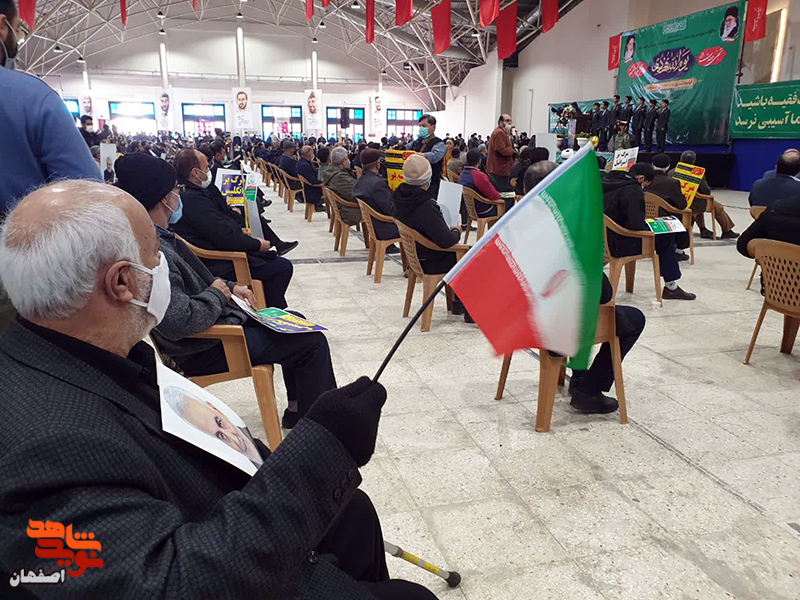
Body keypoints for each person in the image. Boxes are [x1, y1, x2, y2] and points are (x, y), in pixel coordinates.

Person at [0, 180, 438, 600]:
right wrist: (322, 451)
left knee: (353, 513)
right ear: (122, 283)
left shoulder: (77, 351)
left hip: (205, 506)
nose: (162, 264)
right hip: (213, 559)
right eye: (155, 257)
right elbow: (173, 585)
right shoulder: (48, 446)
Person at [115, 154, 336, 426]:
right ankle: (322, 428)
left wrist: (229, 287)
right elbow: (177, 321)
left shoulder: (159, 236)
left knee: (296, 321)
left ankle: (298, 411)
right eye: (175, 189)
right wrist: (218, 295)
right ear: (163, 198)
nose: (179, 195)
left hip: (213, 331)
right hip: (209, 345)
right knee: (311, 342)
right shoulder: (155, 253)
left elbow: (196, 280)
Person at [0, 0, 101, 332]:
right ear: (2, 26)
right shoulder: (30, 97)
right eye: (17, 28)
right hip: (16, 275)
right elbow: (87, 198)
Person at [521, 163, 646, 415]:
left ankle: (579, 376)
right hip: (557, 326)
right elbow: (604, 294)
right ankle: (589, 391)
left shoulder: (517, 224)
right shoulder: (570, 229)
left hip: (526, 315)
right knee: (631, 320)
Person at [171, 149, 295, 309]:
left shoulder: (191, 192)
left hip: (216, 250)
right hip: (219, 262)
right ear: (195, 172)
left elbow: (220, 224)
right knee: (282, 268)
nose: (209, 171)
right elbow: (222, 234)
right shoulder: (193, 199)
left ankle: (267, 307)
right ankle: (266, 313)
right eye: (206, 168)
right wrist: (256, 245)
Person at [603, 162, 696, 300]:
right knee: (666, 237)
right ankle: (671, 286)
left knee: (662, 234)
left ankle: (670, 284)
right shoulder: (633, 190)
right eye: (646, 184)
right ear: (641, 178)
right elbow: (635, 225)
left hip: (603, 239)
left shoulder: (605, 182)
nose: (645, 188)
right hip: (622, 242)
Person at [393, 155, 470, 321]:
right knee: (470, 255)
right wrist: (456, 231)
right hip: (432, 259)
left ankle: (457, 302)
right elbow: (446, 241)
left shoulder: (399, 197)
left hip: (416, 256)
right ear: (427, 178)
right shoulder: (426, 205)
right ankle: (468, 307)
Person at [668, 150, 738, 239]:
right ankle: (727, 231)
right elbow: (706, 190)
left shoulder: (671, 172)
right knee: (717, 206)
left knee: (699, 202)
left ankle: (703, 229)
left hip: (675, 202)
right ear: (694, 161)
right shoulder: (697, 173)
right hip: (692, 203)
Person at [353, 148, 399, 252]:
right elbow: (391, 210)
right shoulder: (378, 184)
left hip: (374, 226)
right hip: (385, 228)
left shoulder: (360, 181)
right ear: (378, 164)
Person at [648, 154, 690, 260]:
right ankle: (679, 250)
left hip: (645, 217)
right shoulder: (672, 182)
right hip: (664, 221)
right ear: (668, 166)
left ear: (652, 165)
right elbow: (682, 205)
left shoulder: (645, 180)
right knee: (686, 217)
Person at [407, 113, 446, 199]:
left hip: (431, 185)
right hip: (414, 183)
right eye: (420, 126)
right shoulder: (417, 142)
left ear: (433, 127)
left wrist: (423, 155)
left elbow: (435, 156)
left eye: (424, 126)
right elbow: (407, 148)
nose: (421, 128)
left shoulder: (439, 143)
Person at [460, 148, 506, 216]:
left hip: (468, 209)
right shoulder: (478, 175)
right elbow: (494, 196)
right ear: (479, 161)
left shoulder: (463, 174)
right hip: (483, 210)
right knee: (508, 202)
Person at [323, 146, 361, 227]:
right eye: (347, 158)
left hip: (341, 207)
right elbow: (357, 194)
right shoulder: (340, 177)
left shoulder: (330, 171)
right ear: (343, 162)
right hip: (349, 211)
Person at [487, 114, 515, 192]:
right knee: (503, 193)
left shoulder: (503, 132)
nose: (509, 123)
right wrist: (512, 150)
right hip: (499, 170)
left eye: (510, 121)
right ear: (500, 122)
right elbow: (502, 150)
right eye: (507, 121)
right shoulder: (499, 133)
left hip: (500, 169)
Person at [297, 144, 325, 211]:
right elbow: (312, 180)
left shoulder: (302, 162)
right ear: (309, 154)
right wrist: (324, 182)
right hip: (312, 190)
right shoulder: (304, 165)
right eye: (312, 152)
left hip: (308, 188)